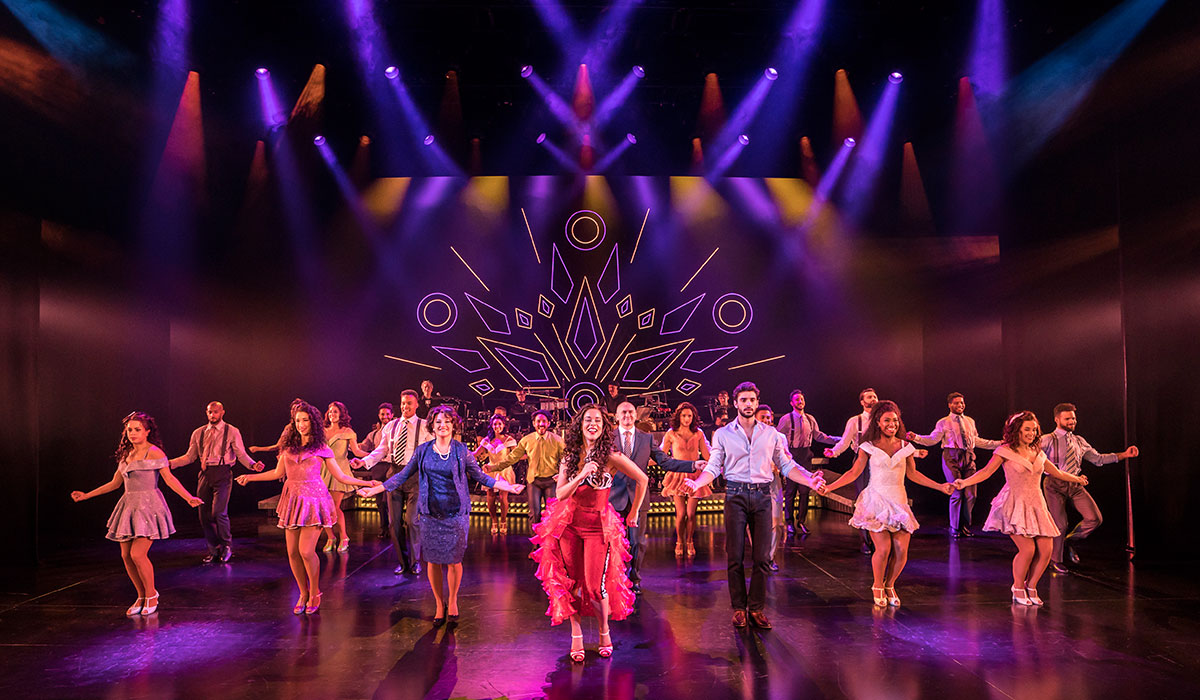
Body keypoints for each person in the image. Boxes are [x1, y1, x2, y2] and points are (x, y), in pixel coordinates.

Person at [358, 406, 524, 626]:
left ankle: (453, 600)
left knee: (454, 561)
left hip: (456, 514)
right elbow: (402, 476)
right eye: (438, 422)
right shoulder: (423, 450)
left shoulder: (461, 450)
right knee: (434, 562)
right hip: (430, 514)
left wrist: (507, 487)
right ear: (432, 426)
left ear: (453, 425)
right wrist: (375, 489)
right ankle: (438, 603)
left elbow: (480, 477)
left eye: (447, 421)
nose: (442, 425)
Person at [683, 382, 826, 629]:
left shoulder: (772, 435)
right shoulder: (723, 434)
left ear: (757, 402)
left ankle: (757, 609)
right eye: (743, 400)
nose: (748, 404)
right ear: (736, 404)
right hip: (736, 495)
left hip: (762, 496)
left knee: (762, 557)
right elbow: (714, 466)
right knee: (735, 556)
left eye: (752, 400)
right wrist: (697, 485)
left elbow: (787, 465)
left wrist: (810, 480)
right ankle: (739, 608)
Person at [529, 404, 647, 662]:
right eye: (587, 420)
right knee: (571, 583)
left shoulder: (611, 456)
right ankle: (577, 634)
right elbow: (560, 493)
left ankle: (604, 631)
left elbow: (643, 479)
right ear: (580, 426)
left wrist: (634, 512)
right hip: (569, 526)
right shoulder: (570, 456)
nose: (592, 423)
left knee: (595, 587)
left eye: (597, 420)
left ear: (604, 427)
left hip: (597, 528)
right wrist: (581, 473)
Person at [236, 401, 376, 614]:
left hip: (314, 500)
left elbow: (340, 476)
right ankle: (303, 592)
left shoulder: (322, 448)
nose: (301, 424)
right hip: (292, 499)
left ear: (313, 422)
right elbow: (276, 473)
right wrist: (250, 477)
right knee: (292, 553)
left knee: (306, 551)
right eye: (298, 421)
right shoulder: (288, 447)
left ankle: (315, 592)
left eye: (305, 420)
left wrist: (366, 483)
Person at [818, 401, 953, 607]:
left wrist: (940, 486)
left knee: (901, 550)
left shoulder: (906, 446)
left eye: (895, 420)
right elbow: (853, 473)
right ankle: (877, 585)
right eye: (887, 420)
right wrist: (829, 487)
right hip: (876, 501)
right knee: (883, 549)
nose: (892, 424)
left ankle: (890, 584)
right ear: (878, 423)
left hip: (898, 501)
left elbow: (914, 474)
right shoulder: (868, 447)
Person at [71, 411, 203, 616]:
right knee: (126, 555)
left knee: (137, 554)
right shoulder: (126, 454)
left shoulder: (155, 452)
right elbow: (115, 483)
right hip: (129, 505)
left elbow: (169, 480)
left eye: (137, 429)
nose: (132, 433)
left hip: (149, 506)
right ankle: (140, 596)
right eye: (130, 430)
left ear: (147, 431)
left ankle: (151, 595)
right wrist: (87, 495)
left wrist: (188, 497)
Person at [954, 411, 1090, 605]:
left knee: (1046, 549)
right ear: (1016, 430)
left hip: (1036, 505)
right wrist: (963, 483)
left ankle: (1031, 586)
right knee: (1027, 550)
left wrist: (1077, 479)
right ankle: (1017, 587)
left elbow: (1056, 472)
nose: (1032, 433)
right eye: (1027, 429)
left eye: (1034, 430)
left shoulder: (1038, 452)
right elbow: (985, 472)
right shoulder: (1005, 451)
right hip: (1014, 504)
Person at [611, 401, 704, 594]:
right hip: (614, 498)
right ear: (617, 417)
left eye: (630, 412)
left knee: (637, 542)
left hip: (639, 498)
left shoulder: (646, 438)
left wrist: (693, 465)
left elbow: (666, 462)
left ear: (636, 415)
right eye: (623, 413)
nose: (627, 416)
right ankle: (615, 578)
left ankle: (634, 578)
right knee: (614, 542)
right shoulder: (608, 438)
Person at [1040, 403, 1138, 574]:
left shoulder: (1079, 441)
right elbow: (1031, 456)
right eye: (1068, 418)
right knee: (1060, 524)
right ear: (1057, 419)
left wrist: (1124, 454)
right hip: (1054, 484)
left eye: (1073, 418)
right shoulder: (1047, 439)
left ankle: (1068, 542)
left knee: (1094, 518)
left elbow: (1098, 459)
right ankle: (1055, 560)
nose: (1072, 421)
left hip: (1076, 483)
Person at [167, 401, 264, 564]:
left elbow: (241, 453)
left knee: (218, 512)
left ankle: (226, 546)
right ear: (206, 413)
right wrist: (169, 463)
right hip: (205, 473)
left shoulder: (231, 431)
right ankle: (214, 549)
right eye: (210, 412)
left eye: (216, 412)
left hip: (223, 472)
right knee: (203, 515)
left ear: (222, 412)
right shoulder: (198, 433)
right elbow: (189, 456)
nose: (213, 415)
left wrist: (253, 465)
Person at [351, 390, 430, 575]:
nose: (405, 406)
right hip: (394, 474)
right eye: (403, 403)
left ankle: (415, 561)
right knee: (394, 523)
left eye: (409, 403)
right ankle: (402, 563)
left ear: (416, 404)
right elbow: (381, 450)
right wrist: (364, 462)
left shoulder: (425, 426)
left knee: (411, 521)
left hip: (415, 475)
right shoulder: (391, 426)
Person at [907, 392, 1001, 538]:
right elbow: (933, 439)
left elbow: (977, 441)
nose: (960, 405)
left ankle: (964, 525)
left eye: (962, 403)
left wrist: (998, 444)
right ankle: (954, 527)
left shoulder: (970, 421)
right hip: (951, 456)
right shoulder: (943, 422)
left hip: (969, 456)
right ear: (950, 405)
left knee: (971, 494)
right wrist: (916, 438)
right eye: (956, 403)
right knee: (956, 491)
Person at [774, 390, 839, 536]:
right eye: (797, 400)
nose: (800, 402)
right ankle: (789, 522)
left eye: (802, 399)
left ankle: (801, 521)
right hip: (792, 454)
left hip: (805, 455)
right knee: (791, 491)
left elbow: (819, 436)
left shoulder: (810, 418)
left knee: (805, 491)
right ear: (792, 403)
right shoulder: (786, 419)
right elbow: (777, 437)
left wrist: (839, 440)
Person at [825, 387, 881, 554]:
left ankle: (879, 538)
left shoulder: (883, 419)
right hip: (862, 461)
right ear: (862, 402)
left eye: (875, 396)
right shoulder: (855, 421)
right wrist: (833, 452)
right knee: (864, 500)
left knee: (880, 500)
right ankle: (865, 540)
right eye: (869, 397)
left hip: (881, 461)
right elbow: (844, 442)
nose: (873, 399)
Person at [488, 410, 565, 525]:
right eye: (538, 421)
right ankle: (536, 541)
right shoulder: (527, 440)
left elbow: (566, 460)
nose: (541, 424)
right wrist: (494, 467)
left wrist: (562, 474)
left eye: (544, 421)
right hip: (533, 481)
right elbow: (512, 458)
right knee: (534, 514)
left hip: (551, 481)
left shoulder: (557, 440)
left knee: (551, 514)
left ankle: (549, 543)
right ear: (534, 423)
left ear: (549, 423)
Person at [659, 402, 711, 558]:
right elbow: (661, 456)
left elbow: (707, 455)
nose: (687, 419)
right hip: (677, 475)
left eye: (689, 416)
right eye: (684, 416)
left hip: (695, 476)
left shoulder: (699, 433)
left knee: (691, 514)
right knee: (681, 514)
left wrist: (718, 463)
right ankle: (679, 541)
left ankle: (690, 541)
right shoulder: (671, 433)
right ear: (678, 416)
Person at [321, 402, 366, 552]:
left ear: (341, 414)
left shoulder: (347, 431)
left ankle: (344, 537)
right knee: (323, 507)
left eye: (335, 411)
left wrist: (375, 456)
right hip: (321, 471)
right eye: (330, 411)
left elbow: (357, 452)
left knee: (334, 507)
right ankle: (330, 537)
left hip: (340, 470)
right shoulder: (321, 431)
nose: (332, 414)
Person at [753, 405, 787, 572]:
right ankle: (759, 556)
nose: (766, 420)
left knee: (775, 523)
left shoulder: (779, 436)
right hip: (753, 483)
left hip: (773, 484)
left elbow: (786, 457)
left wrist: (779, 465)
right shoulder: (748, 436)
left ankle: (770, 557)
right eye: (763, 417)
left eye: (768, 417)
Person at [355, 402, 395, 538]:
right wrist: (347, 443)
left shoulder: (397, 431)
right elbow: (362, 447)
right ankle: (383, 527)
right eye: (383, 414)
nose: (385, 416)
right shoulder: (373, 434)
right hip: (378, 468)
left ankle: (394, 526)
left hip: (391, 466)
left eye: (387, 414)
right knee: (380, 501)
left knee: (392, 497)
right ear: (379, 416)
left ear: (392, 415)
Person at [474, 414, 518, 534]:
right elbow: (476, 454)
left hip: (504, 471)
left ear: (504, 425)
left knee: (503, 497)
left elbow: (517, 455)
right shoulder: (487, 440)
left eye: (499, 424)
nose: (497, 426)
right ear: (491, 426)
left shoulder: (509, 440)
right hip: (490, 470)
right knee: (491, 498)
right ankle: (494, 521)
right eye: (495, 424)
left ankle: (503, 521)